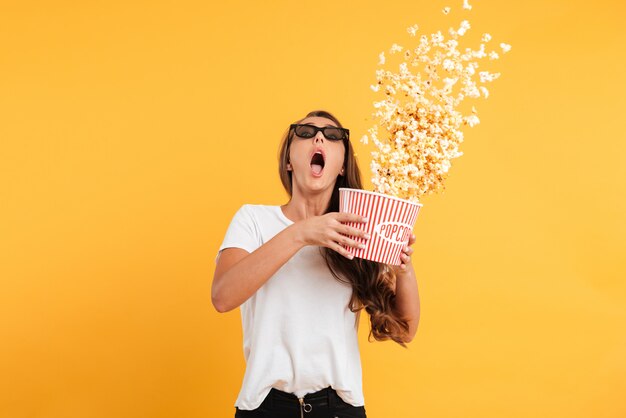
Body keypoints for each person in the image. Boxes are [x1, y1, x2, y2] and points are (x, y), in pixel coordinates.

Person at [212, 110, 420, 417]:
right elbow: (222, 297)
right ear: (288, 161)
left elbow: (403, 330)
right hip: (264, 407)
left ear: (341, 167)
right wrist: (301, 234)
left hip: (339, 407)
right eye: (306, 132)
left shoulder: (359, 232)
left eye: (333, 135)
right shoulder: (252, 220)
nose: (320, 137)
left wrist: (404, 270)